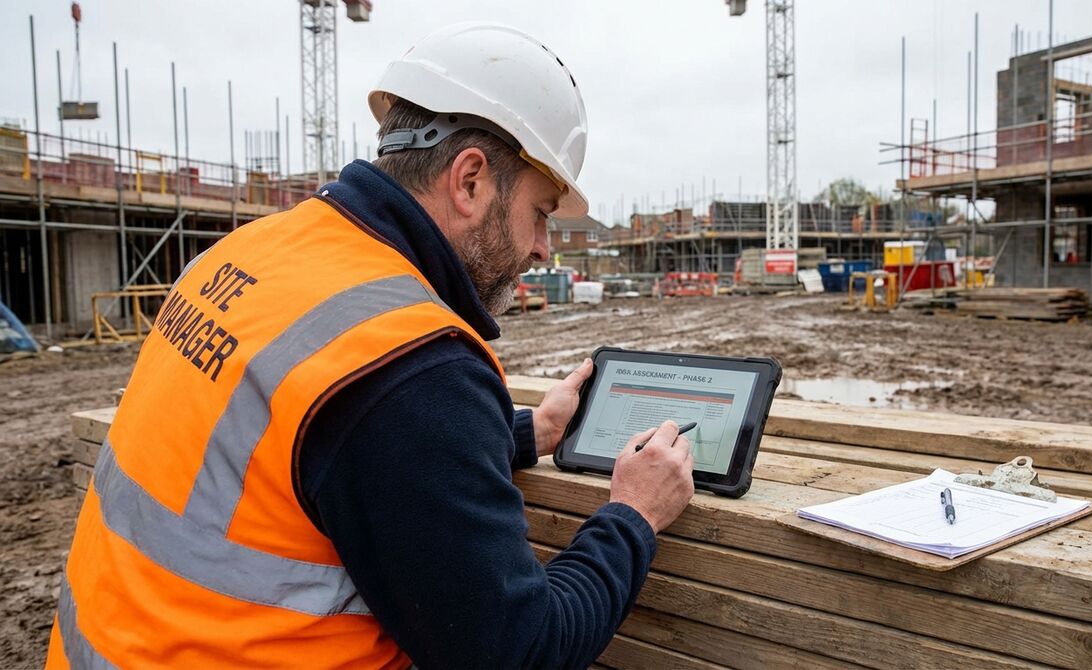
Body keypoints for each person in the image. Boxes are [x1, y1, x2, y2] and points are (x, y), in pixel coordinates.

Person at [46, 22, 695, 670]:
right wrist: (632, 516)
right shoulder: (413, 364)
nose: (542, 249)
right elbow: (518, 651)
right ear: (470, 182)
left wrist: (526, 433)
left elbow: (319, 455)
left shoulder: (250, 253)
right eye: (542, 213)